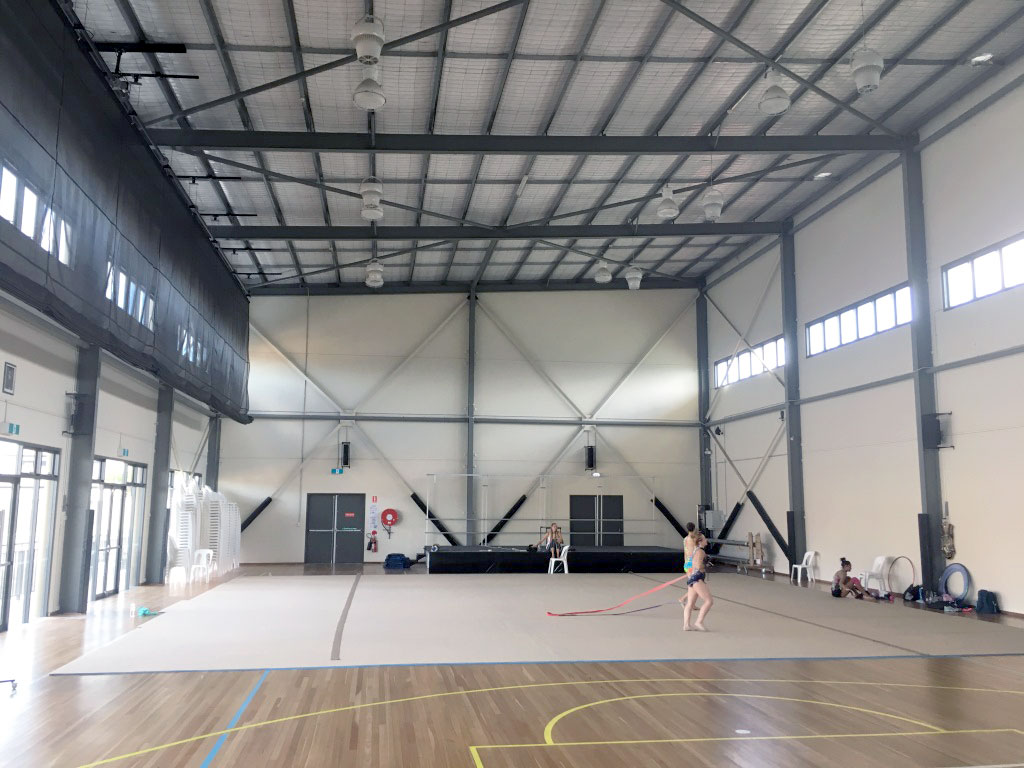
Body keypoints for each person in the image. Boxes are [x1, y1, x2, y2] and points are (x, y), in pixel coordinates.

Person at [682, 534, 713, 631]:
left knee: (690, 603)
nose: (706, 540)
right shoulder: (701, 551)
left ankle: (686, 625)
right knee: (709, 601)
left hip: (693, 577)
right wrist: (706, 563)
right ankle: (699, 621)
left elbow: (693, 564)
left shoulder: (696, 550)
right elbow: (699, 566)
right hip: (697, 578)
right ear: (700, 541)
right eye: (704, 539)